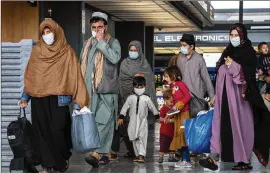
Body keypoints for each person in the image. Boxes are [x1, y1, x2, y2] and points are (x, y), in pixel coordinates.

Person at [18, 18, 90, 173]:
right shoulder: (37, 50)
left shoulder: (66, 51)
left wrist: (80, 100)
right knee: (42, 133)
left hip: (59, 98)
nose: (46, 35)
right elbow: (32, 76)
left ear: (56, 32)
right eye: (43, 33)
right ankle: (47, 166)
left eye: (49, 32)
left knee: (59, 131)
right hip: (39, 99)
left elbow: (75, 76)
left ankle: (61, 160)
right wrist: (25, 97)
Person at [199, 23, 270, 171]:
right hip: (223, 98)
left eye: (236, 35)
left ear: (242, 36)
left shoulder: (248, 53)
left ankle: (243, 160)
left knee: (241, 127)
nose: (233, 38)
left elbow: (249, 77)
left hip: (240, 99)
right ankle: (213, 156)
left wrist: (233, 66)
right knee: (219, 126)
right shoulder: (227, 51)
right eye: (231, 35)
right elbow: (220, 71)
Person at [79, 12, 121, 167]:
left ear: (106, 27)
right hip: (90, 92)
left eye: (100, 27)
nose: (97, 30)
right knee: (94, 124)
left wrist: (102, 42)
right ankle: (103, 153)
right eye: (94, 27)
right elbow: (82, 66)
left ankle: (96, 154)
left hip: (106, 91)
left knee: (104, 122)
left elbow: (115, 58)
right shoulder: (87, 43)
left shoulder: (113, 42)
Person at [118, 40, 158, 158]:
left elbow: (150, 80)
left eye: (135, 50)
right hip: (126, 99)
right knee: (126, 126)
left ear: (140, 51)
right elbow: (122, 79)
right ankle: (132, 150)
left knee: (140, 128)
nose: (133, 52)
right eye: (131, 50)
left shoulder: (144, 64)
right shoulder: (124, 63)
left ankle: (139, 153)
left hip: (141, 102)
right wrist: (135, 77)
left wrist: (142, 77)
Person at [118, 76, 159, 163]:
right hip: (132, 122)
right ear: (133, 87)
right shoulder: (130, 98)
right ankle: (137, 155)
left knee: (142, 138)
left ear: (144, 86)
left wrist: (157, 116)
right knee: (134, 138)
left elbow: (152, 107)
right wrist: (121, 116)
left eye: (141, 87)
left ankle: (141, 155)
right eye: (137, 87)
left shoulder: (146, 98)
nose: (139, 88)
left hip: (143, 122)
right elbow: (125, 107)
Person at [177, 34, 215, 114]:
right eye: (181, 45)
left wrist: (212, 97)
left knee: (197, 123)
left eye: (184, 45)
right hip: (183, 97)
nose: (182, 47)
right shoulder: (179, 58)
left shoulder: (199, 59)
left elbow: (206, 79)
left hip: (197, 97)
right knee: (184, 123)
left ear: (191, 46)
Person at [162, 66, 192, 168]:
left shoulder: (180, 84)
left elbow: (188, 96)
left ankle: (187, 160)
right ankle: (183, 159)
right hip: (178, 115)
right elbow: (174, 106)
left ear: (173, 75)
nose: (165, 78)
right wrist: (168, 115)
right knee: (179, 136)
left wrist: (180, 104)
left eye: (166, 76)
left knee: (183, 136)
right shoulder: (172, 87)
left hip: (184, 114)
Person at [158, 89, 176, 164]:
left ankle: (171, 157)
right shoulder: (164, 109)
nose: (172, 104)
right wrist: (168, 120)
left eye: (173, 102)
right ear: (165, 100)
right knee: (163, 145)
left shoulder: (174, 109)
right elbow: (160, 118)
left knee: (172, 145)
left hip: (172, 131)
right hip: (165, 132)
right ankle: (161, 157)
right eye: (170, 102)